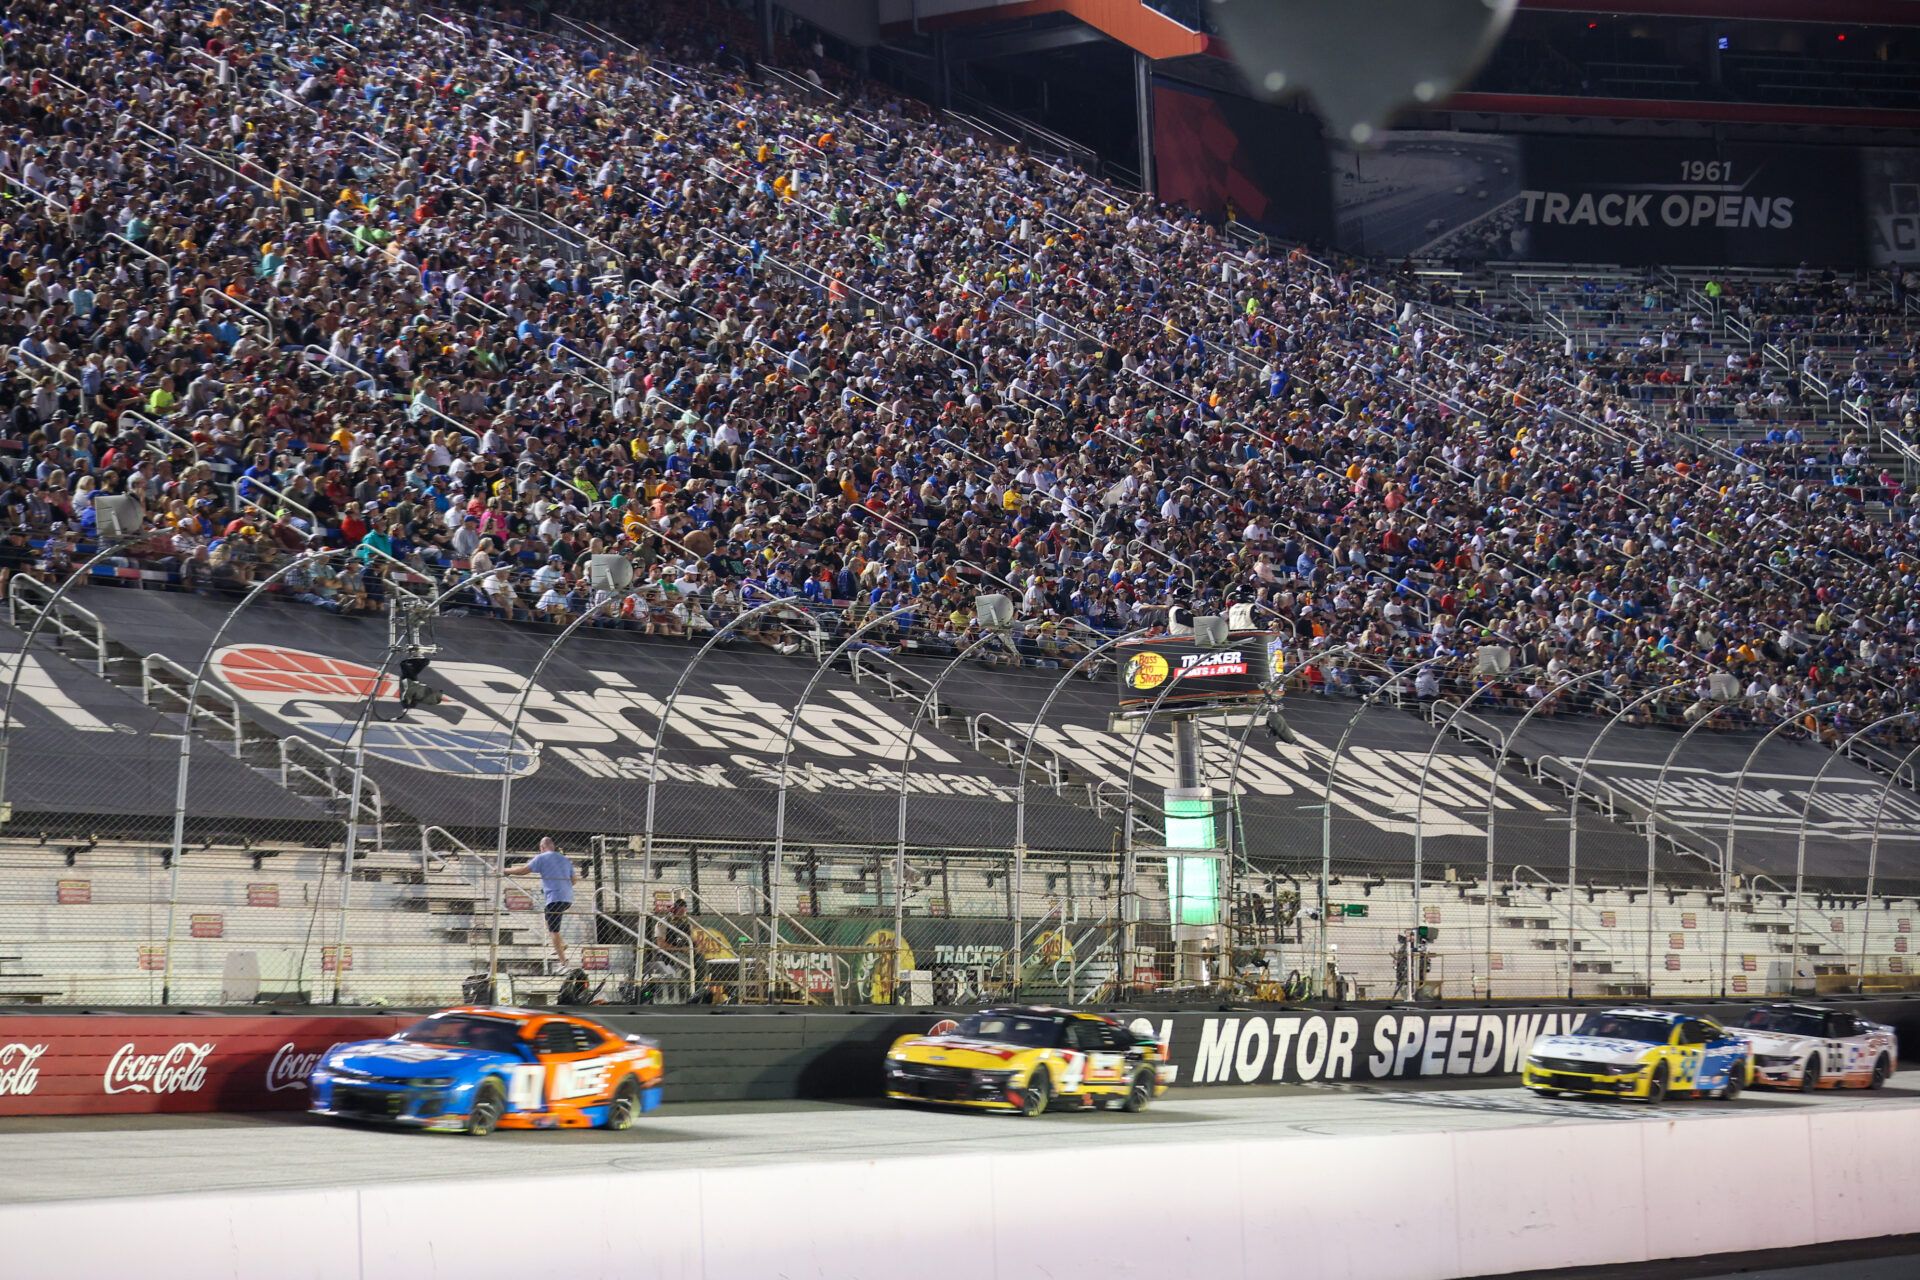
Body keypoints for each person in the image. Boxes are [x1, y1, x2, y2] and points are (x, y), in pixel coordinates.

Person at [506, 837, 575, 973]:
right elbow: (574, 880)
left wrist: (505, 870)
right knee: (548, 919)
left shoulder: (542, 857)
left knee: (553, 931)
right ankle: (563, 944)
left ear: (542, 847)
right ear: (553, 847)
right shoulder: (565, 859)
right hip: (567, 898)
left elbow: (524, 870)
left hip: (555, 898)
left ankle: (563, 962)